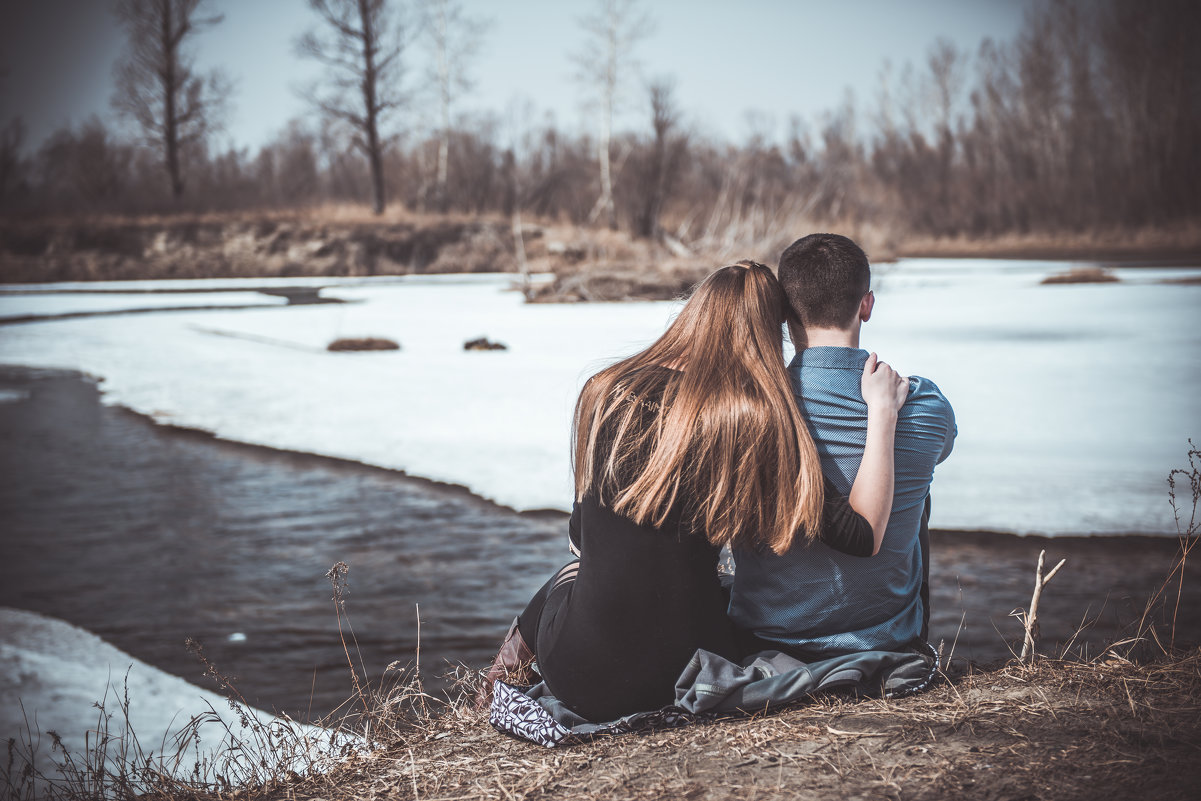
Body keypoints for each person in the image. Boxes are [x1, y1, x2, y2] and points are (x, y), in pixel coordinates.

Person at [477, 260, 909, 721]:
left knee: (573, 572)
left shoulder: (607, 391)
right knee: (708, 585)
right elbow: (860, 535)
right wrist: (882, 412)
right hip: (683, 676)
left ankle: (498, 677)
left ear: (696, 309)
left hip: (578, 677)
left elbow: (581, 536)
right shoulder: (752, 419)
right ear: (769, 332)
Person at [729, 234, 957, 657]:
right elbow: (941, 450)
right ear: (866, 305)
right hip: (888, 638)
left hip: (768, 636)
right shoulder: (924, 404)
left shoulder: (750, 411)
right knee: (917, 489)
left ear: (785, 313)